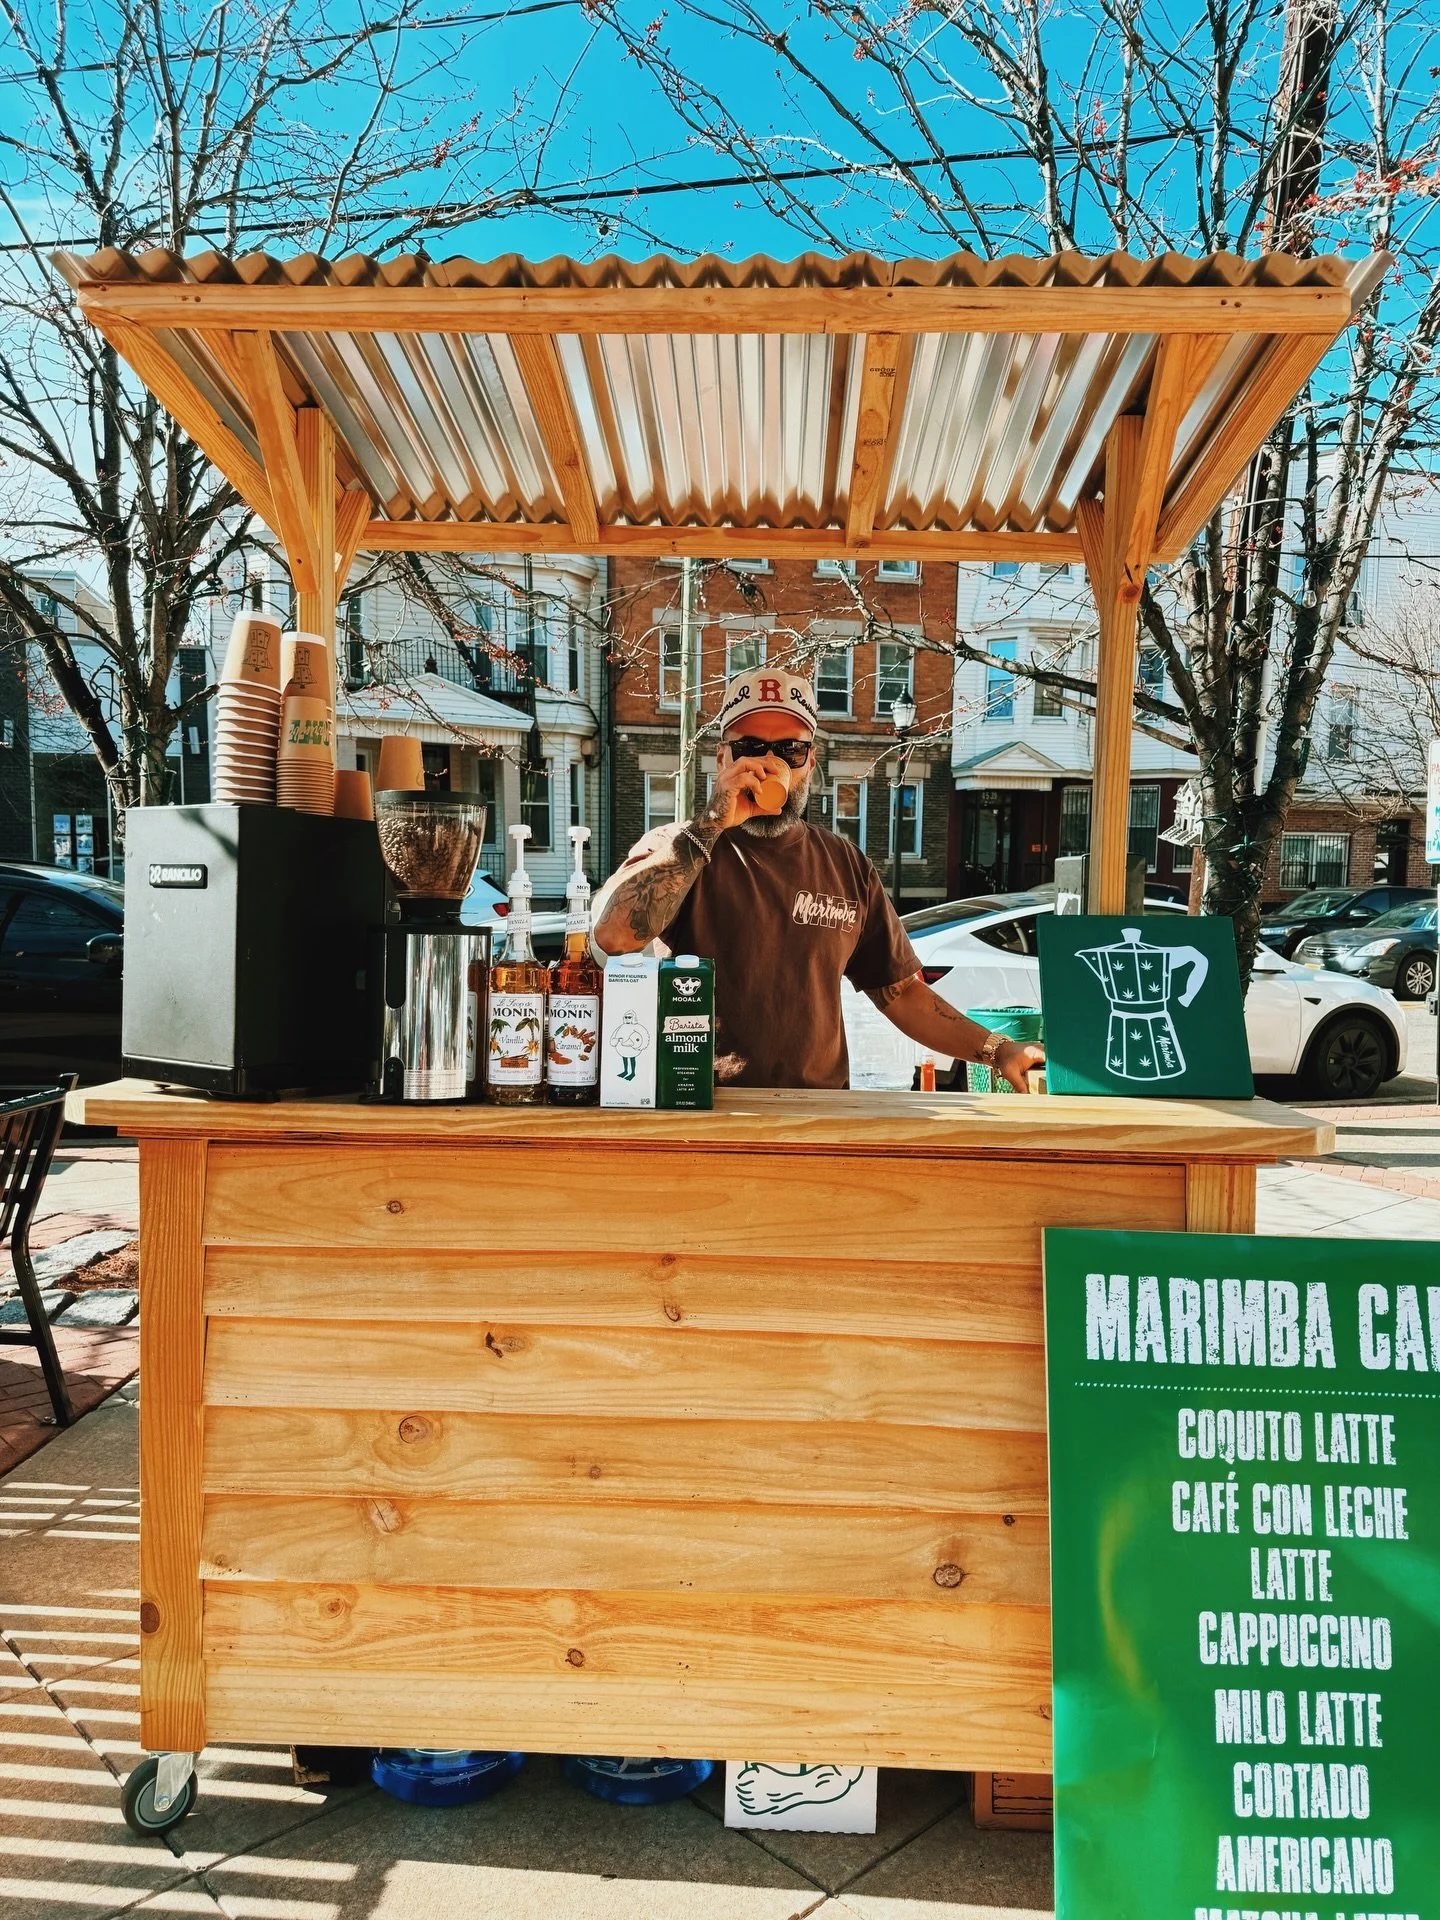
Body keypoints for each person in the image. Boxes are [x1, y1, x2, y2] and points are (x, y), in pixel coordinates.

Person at [592, 668, 1045, 1091]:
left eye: (790, 749)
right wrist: (711, 823)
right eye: (750, 747)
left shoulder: (844, 863)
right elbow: (613, 937)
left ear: (810, 762)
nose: (769, 764)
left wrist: (997, 1049)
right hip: (703, 1110)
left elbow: (902, 993)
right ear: (722, 757)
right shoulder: (679, 846)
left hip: (819, 1114)